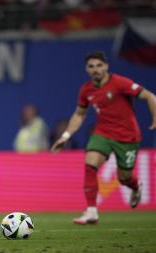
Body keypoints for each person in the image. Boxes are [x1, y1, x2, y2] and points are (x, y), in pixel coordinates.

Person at [51, 51, 156, 225]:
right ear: (87, 69)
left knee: (124, 178)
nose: (95, 70)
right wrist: (66, 136)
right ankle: (91, 212)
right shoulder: (86, 90)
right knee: (90, 164)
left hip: (127, 136)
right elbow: (79, 115)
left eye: (99, 66)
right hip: (103, 133)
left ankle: (136, 186)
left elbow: (150, 95)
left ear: (106, 66)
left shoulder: (120, 83)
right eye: (91, 66)